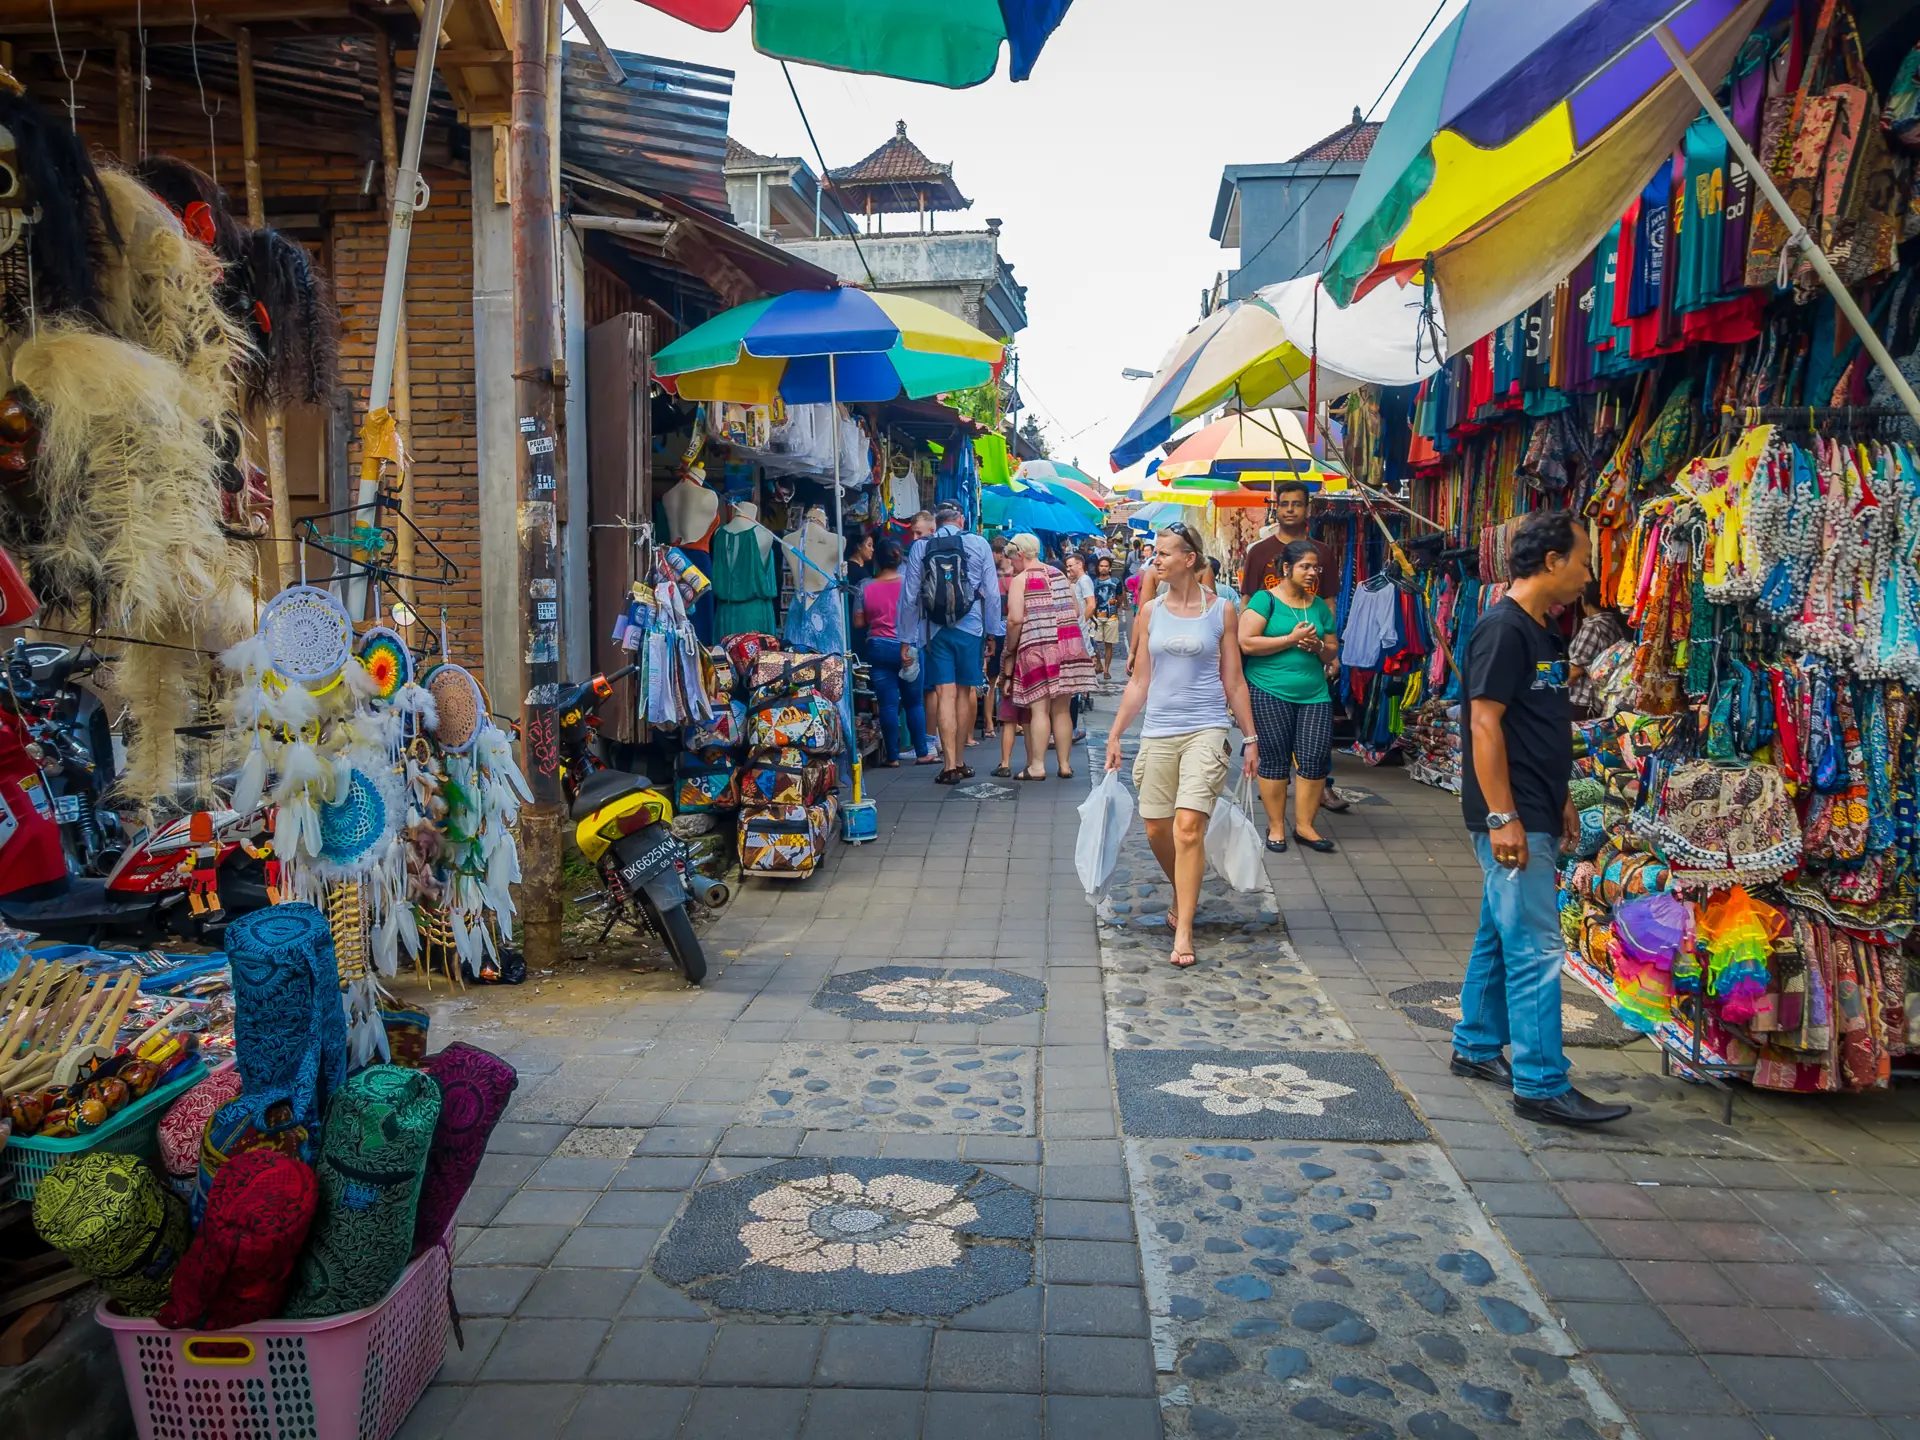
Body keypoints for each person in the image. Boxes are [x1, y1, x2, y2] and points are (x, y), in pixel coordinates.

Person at [1454, 510, 1630, 1128]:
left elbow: (1536, 724)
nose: (1589, 574)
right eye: (1583, 560)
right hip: (1512, 813)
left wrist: (1557, 800)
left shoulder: (1542, 631)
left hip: (1531, 805)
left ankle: (1476, 1047)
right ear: (1552, 561)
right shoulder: (1504, 630)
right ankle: (1540, 1083)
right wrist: (1504, 815)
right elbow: (1483, 723)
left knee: (1500, 936)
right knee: (1535, 947)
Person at [1106, 522, 1259, 969]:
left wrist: (1249, 737)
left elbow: (1233, 680)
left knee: (1188, 827)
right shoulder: (1150, 612)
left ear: (1189, 559)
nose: (1156, 560)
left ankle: (1185, 927)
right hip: (1157, 729)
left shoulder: (1222, 611)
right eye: (1156, 554)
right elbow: (1139, 681)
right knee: (1157, 827)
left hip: (1207, 728)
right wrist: (1116, 733)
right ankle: (1183, 888)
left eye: (1165, 553)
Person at [1238, 540, 1340, 853]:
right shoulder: (1264, 600)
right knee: (1274, 757)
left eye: (1316, 567)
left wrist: (1319, 648)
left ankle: (1305, 826)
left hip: (1314, 693)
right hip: (1269, 689)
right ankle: (1276, 826)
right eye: (1305, 566)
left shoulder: (1319, 606)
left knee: (1314, 757)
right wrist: (1291, 640)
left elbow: (1333, 650)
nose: (1312, 573)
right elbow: (1246, 642)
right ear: (1287, 568)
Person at [898, 502, 1004, 785]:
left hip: (934, 632)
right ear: (960, 519)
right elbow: (992, 594)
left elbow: (909, 598)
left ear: (936, 521)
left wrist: (907, 639)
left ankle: (948, 766)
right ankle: (960, 759)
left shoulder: (922, 547)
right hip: (970, 629)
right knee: (964, 692)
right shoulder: (979, 544)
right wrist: (992, 633)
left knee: (944, 694)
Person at [1005, 533, 1095, 780]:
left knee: (1040, 710)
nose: (1012, 564)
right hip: (1068, 645)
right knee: (1062, 710)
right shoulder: (1060, 575)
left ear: (1020, 555)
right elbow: (1076, 610)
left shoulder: (1021, 580)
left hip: (1037, 647)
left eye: (1012, 560)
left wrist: (1010, 650)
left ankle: (1037, 766)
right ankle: (1065, 765)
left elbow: (1014, 620)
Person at [856, 536, 932, 768]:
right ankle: (922, 753)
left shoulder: (865, 586)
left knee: (888, 704)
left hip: (878, 647)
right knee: (914, 703)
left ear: (877, 560)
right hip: (907, 647)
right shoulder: (910, 584)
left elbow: (859, 622)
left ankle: (893, 757)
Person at [1567, 581, 1628, 718]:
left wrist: (1548, 685)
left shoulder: (1593, 627)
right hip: (1599, 701)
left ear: (1585, 600)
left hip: (1582, 702)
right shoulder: (1613, 625)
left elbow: (1575, 670)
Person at [1065, 553, 1096, 741]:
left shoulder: (1084, 580)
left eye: (1070, 566)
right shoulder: (1078, 581)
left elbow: (1091, 604)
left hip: (1079, 634)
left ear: (1080, 564)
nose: (1068, 569)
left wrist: (1079, 624)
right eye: (1066, 567)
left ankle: (1073, 728)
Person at [1091, 555, 1123, 681]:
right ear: (1098, 568)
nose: (1103, 568)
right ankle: (1098, 663)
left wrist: (1115, 608)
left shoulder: (1116, 582)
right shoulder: (1093, 582)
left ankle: (1106, 669)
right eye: (1101, 566)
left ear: (1109, 568)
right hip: (1096, 616)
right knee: (1095, 642)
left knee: (1108, 644)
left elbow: (1119, 597)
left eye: (1106, 566)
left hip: (1111, 616)